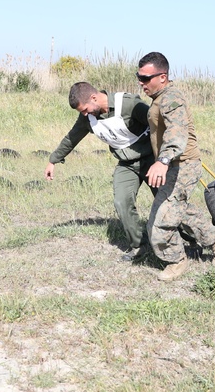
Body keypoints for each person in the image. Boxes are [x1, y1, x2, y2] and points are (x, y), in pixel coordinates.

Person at [138, 52, 215, 281]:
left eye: (145, 78)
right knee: (179, 210)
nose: (141, 83)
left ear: (162, 76)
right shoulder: (160, 96)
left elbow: (176, 133)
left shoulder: (171, 98)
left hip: (182, 165)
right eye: (138, 77)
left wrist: (162, 160)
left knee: (160, 224)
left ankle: (176, 260)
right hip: (174, 165)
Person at [45, 81, 155, 261]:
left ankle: (191, 239)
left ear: (94, 97)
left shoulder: (128, 104)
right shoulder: (88, 118)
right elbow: (72, 138)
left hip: (152, 160)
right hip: (127, 163)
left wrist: (167, 158)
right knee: (121, 201)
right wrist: (53, 160)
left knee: (167, 202)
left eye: (85, 109)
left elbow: (158, 123)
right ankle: (139, 246)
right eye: (82, 112)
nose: (84, 114)